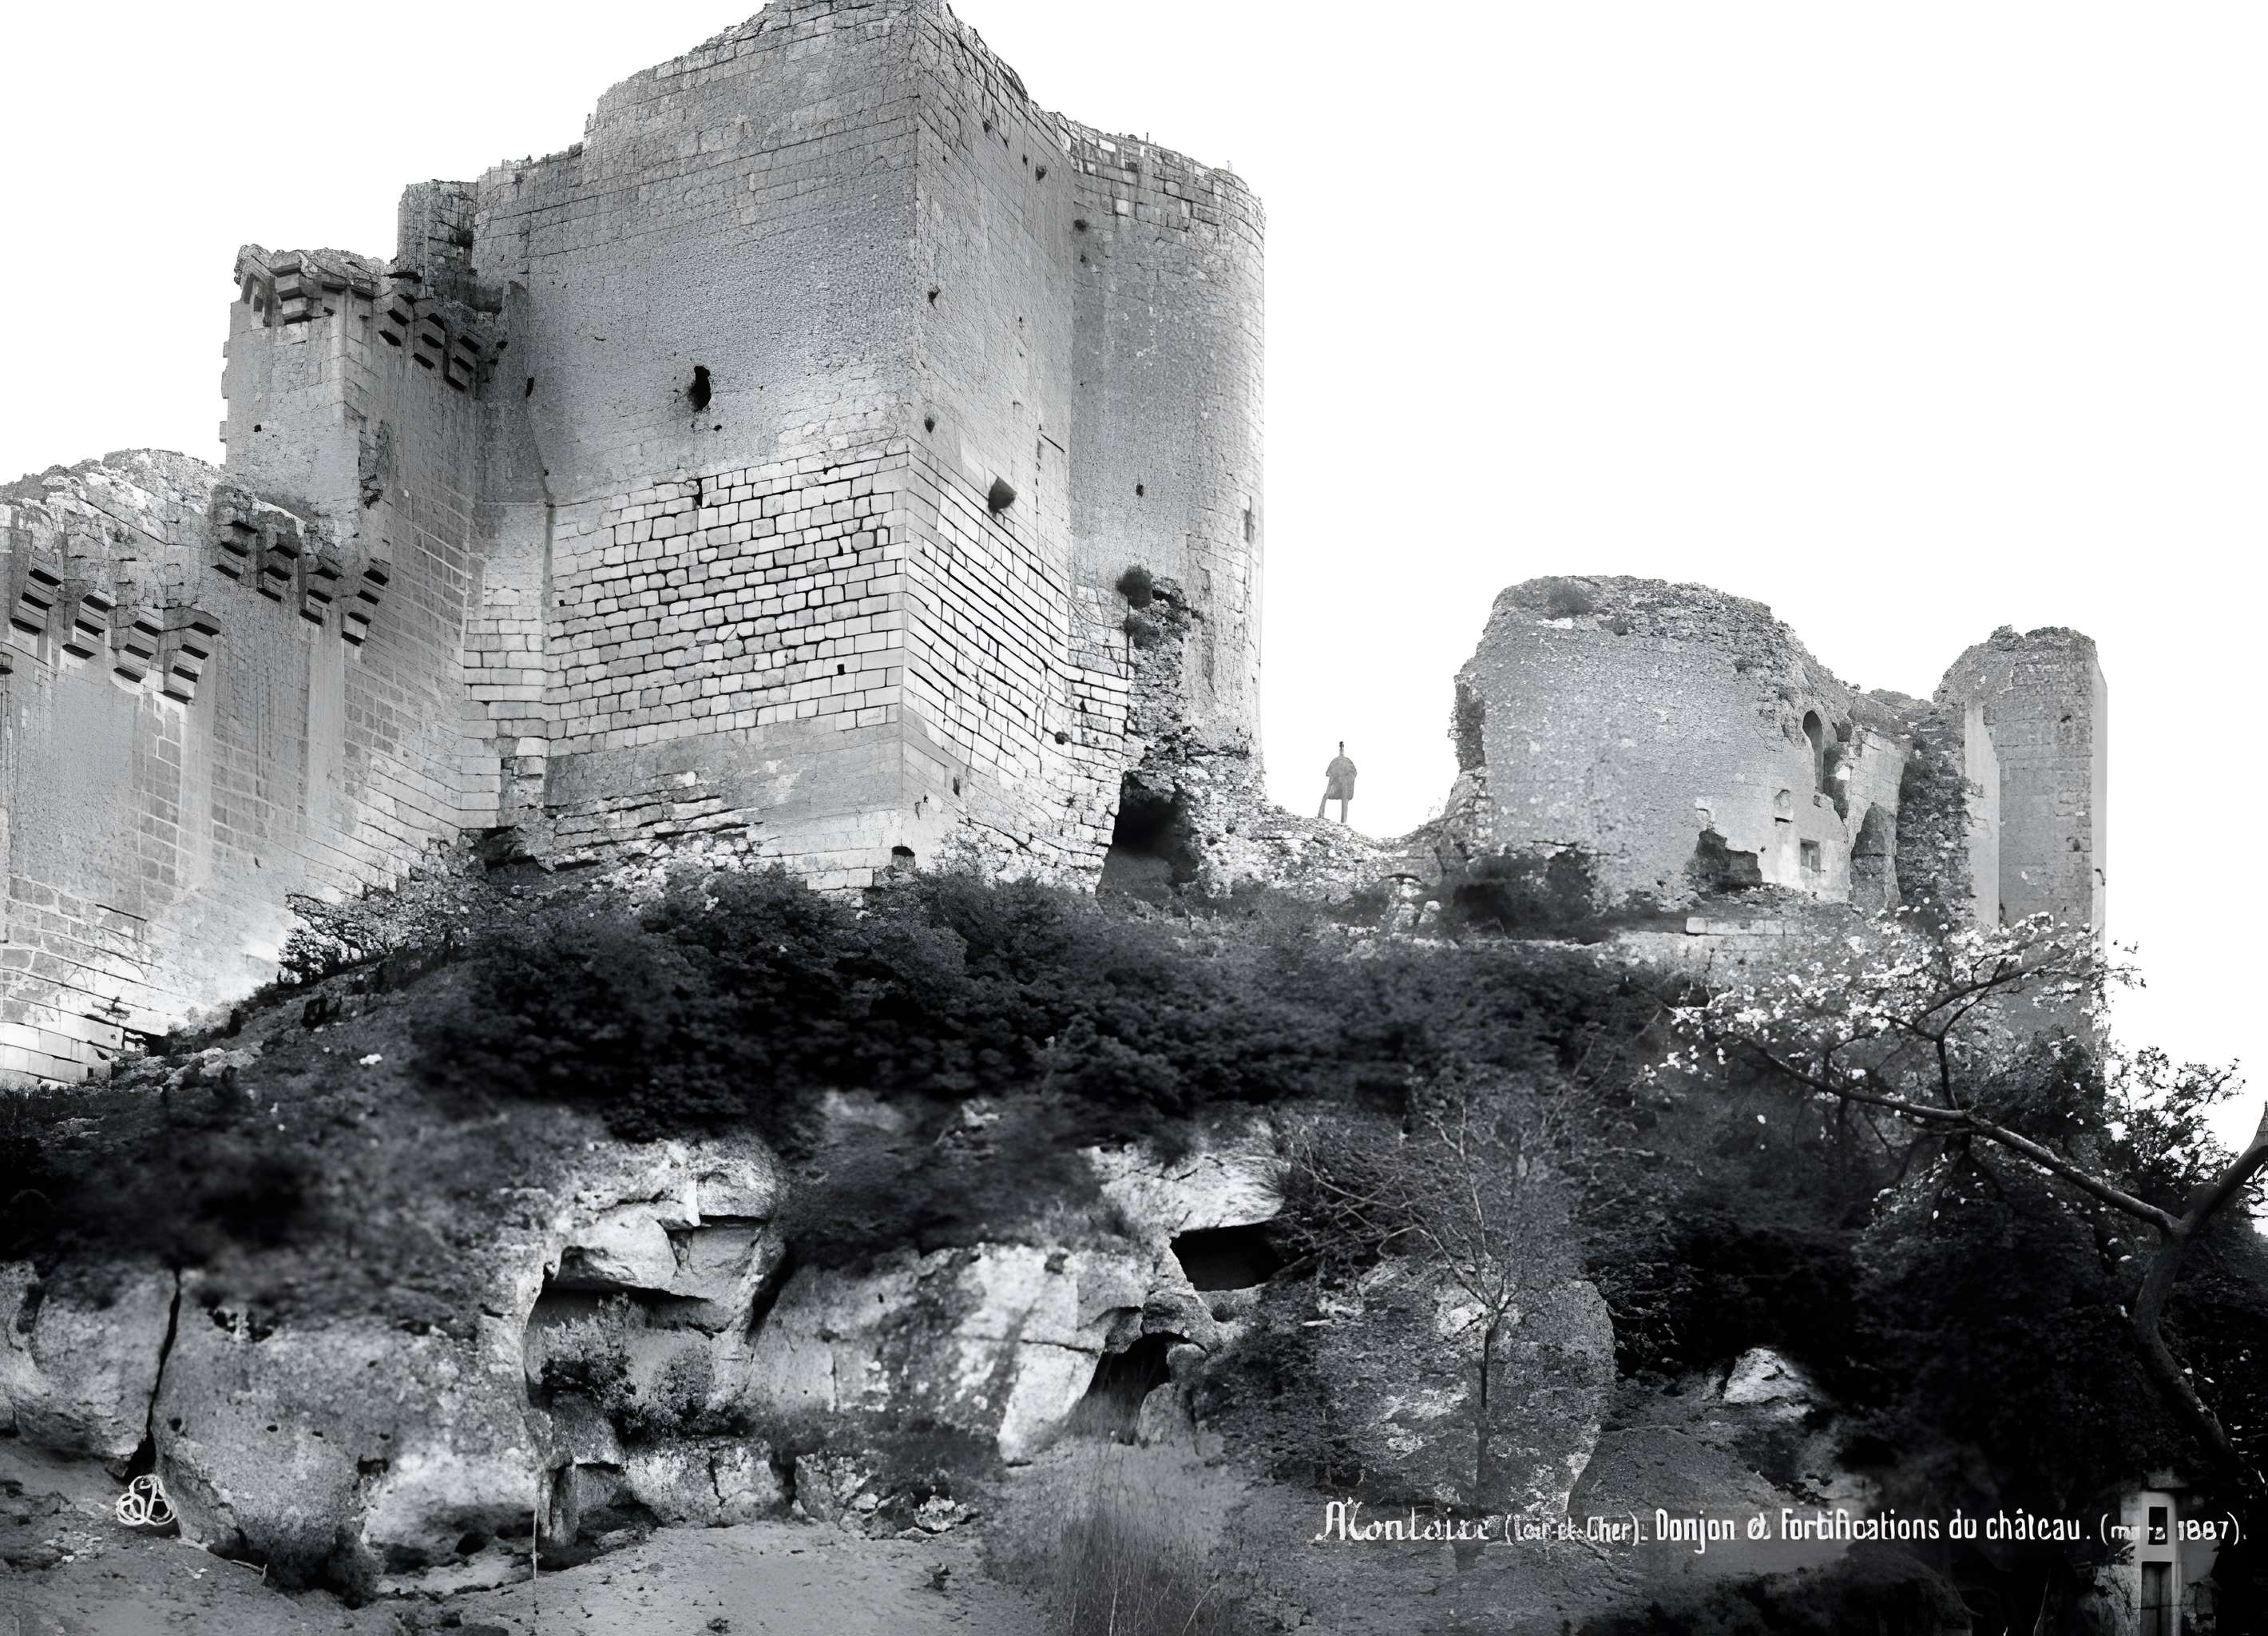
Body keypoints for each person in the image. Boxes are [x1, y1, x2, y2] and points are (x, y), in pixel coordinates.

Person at [1318, 742, 1357, 824]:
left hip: (1342, 788)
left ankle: (1321, 815)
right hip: (1341, 789)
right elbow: (1330, 776)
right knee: (1341, 798)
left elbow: (1329, 776)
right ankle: (1341, 821)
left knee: (1328, 797)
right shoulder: (1340, 763)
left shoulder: (1337, 763)